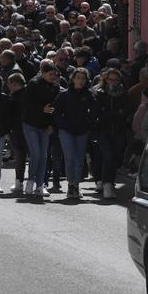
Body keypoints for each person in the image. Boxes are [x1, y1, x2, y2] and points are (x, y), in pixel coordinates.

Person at [54, 68, 96, 199]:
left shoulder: (89, 95)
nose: (81, 81)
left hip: (82, 131)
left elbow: (94, 112)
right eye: (78, 77)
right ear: (73, 79)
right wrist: (62, 125)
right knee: (69, 157)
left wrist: (88, 124)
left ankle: (76, 185)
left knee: (79, 158)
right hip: (66, 130)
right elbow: (55, 112)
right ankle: (70, 184)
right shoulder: (64, 94)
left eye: (83, 78)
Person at [22, 59, 61, 197]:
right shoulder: (33, 84)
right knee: (36, 154)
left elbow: (54, 108)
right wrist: (41, 109)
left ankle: (40, 185)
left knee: (44, 156)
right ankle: (30, 181)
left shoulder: (55, 87)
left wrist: (51, 125)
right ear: (43, 73)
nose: (52, 77)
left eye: (54, 74)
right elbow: (26, 104)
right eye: (50, 74)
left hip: (45, 127)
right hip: (31, 124)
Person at [94, 67, 129, 199]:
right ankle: (106, 184)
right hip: (103, 129)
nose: (113, 82)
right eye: (110, 79)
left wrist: (111, 113)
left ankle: (108, 181)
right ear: (106, 80)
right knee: (107, 154)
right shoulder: (100, 93)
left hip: (119, 129)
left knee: (115, 157)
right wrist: (113, 113)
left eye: (116, 79)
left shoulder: (124, 94)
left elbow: (124, 112)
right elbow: (99, 112)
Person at [5, 72, 28, 193]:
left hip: (18, 130)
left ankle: (19, 182)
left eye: (9, 83)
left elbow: (10, 115)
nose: (8, 85)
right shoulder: (28, 94)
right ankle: (34, 183)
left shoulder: (14, 97)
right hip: (29, 129)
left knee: (20, 157)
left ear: (14, 83)